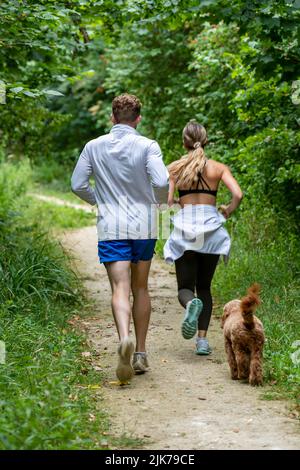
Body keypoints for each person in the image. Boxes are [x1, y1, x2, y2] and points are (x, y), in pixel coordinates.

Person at [71, 94, 169, 382]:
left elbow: (77, 184)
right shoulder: (148, 146)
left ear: (112, 117)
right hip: (144, 225)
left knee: (119, 288)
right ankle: (139, 352)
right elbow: (162, 181)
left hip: (112, 225)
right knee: (140, 288)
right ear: (138, 119)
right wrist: (159, 203)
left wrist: (98, 199)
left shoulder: (93, 146)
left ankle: (124, 337)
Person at [164, 120, 243, 355]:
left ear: (184, 141)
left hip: (186, 230)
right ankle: (202, 342)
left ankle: (190, 305)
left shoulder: (175, 168)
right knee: (205, 288)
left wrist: (178, 202)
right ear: (205, 140)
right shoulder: (218, 168)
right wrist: (227, 209)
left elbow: (168, 201)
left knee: (185, 288)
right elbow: (238, 194)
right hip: (211, 231)